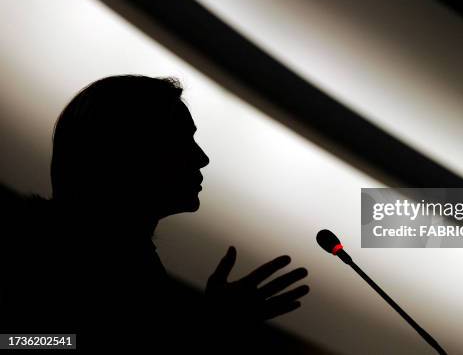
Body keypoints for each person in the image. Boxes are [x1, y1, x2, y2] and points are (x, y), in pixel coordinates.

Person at [0, 75, 309, 350]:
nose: (202, 158)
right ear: (129, 152)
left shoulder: (122, 259)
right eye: (181, 141)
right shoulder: (39, 254)